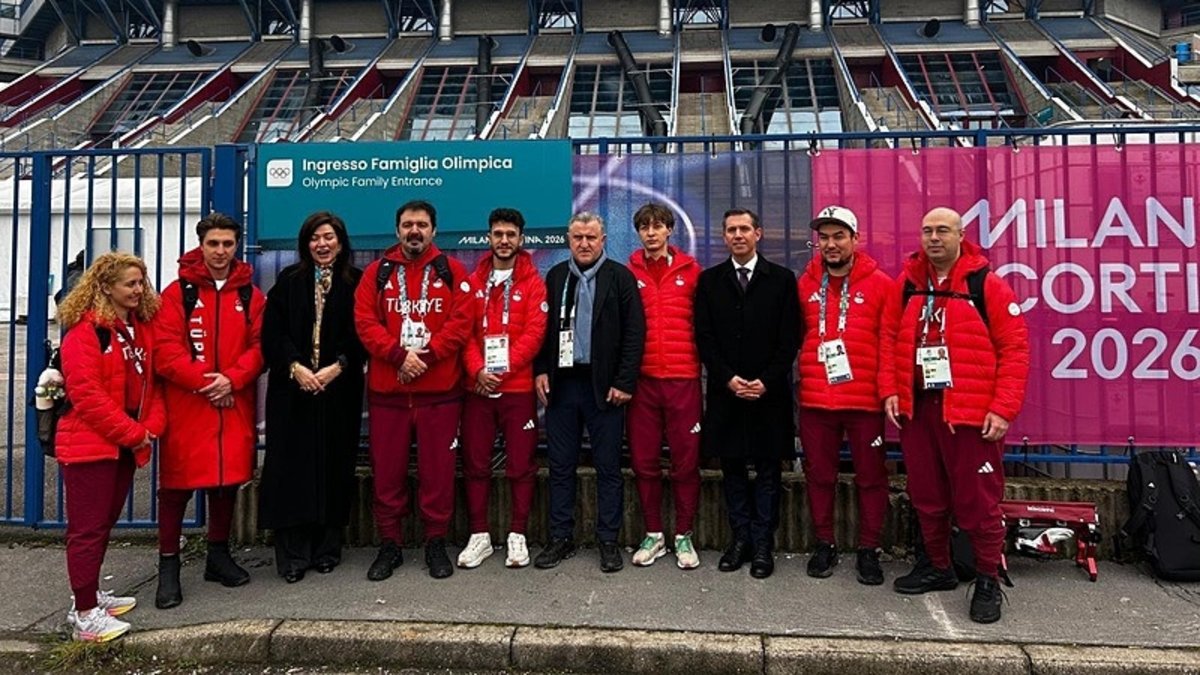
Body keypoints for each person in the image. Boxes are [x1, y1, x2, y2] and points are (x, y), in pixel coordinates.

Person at [880, 206, 1030, 624]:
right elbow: (888, 337)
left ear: (961, 235)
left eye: (943, 230)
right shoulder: (908, 284)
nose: (934, 238)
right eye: (927, 230)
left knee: (978, 501)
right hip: (919, 408)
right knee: (927, 495)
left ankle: (987, 578)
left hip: (969, 414)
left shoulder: (987, 285)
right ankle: (938, 566)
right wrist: (890, 390)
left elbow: (1015, 349)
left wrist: (1002, 409)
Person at [354, 199, 472, 581]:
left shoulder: (452, 270)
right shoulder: (377, 272)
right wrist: (398, 356)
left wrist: (428, 355)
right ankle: (390, 544)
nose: (414, 231)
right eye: (408, 225)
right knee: (387, 473)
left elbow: (461, 321)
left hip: (440, 393)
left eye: (421, 224)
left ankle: (435, 542)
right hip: (389, 394)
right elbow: (365, 322)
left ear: (434, 230)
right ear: (397, 230)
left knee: (438, 473)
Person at [153, 212, 265, 609]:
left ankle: (218, 555)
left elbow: (260, 347)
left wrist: (231, 380)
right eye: (213, 243)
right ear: (201, 245)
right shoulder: (175, 294)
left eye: (227, 244)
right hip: (188, 406)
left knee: (225, 483)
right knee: (176, 488)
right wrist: (209, 383)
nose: (220, 251)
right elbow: (165, 351)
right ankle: (168, 566)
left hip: (232, 403)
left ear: (237, 246)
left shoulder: (251, 295)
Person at [55, 252, 165, 642]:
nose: (138, 290)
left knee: (102, 523)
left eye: (141, 282)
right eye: (129, 283)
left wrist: (150, 427)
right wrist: (134, 433)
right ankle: (85, 615)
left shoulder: (136, 329)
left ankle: (89, 595)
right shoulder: (85, 332)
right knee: (86, 530)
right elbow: (87, 396)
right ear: (105, 287)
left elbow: (151, 384)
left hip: (122, 445)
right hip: (90, 447)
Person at [533, 212, 645, 573]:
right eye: (578, 237)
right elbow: (542, 330)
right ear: (569, 240)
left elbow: (634, 333)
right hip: (563, 385)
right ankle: (560, 537)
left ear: (603, 240)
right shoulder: (556, 276)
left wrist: (624, 382)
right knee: (560, 466)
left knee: (608, 467)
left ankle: (608, 540)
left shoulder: (620, 277)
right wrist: (540, 370)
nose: (584, 244)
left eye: (591, 237)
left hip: (605, 388)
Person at [259, 212, 365, 583]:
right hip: (294, 390)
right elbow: (273, 333)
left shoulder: (358, 283)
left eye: (329, 237)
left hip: (339, 389)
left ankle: (326, 549)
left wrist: (338, 366)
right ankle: (293, 555)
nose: (322, 244)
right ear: (306, 244)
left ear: (341, 241)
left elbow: (363, 333)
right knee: (291, 469)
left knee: (334, 465)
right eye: (315, 238)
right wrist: (296, 367)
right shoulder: (289, 281)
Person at [694, 208, 799, 580]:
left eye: (744, 229)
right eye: (731, 230)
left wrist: (765, 380)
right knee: (733, 469)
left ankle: (763, 544)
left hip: (769, 394)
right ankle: (740, 539)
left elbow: (790, 338)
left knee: (769, 470)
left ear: (759, 233)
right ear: (724, 237)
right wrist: (728, 378)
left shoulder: (782, 280)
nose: (737, 235)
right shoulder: (710, 281)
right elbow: (704, 337)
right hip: (727, 392)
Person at [795, 206, 893, 585]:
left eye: (839, 236)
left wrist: (889, 391)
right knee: (819, 476)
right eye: (824, 237)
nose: (831, 244)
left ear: (855, 239)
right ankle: (825, 543)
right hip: (816, 400)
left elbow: (890, 342)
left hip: (865, 401)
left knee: (871, 477)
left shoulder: (881, 284)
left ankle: (869, 548)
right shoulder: (804, 284)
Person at [456, 208, 548, 570]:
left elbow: (535, 333)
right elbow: (463, 332)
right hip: (477, 389)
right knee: (475, 462)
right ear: (489, 238)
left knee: (521, 465)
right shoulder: (472, 281)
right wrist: (478, 370)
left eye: (511, 234)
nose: (504, 240)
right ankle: (479, 535)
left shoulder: (534, 282)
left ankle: (517, 534)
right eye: (498, 234)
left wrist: (502, 368)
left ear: (521, 239)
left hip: (517, 389)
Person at [625, 203, 703, 569]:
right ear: (639, 233)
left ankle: (684, 534)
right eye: (645, 227)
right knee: (644, 461)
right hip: (643, 382)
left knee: (686, 461)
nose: (651, 233)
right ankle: (654, 533)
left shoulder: (692, 272)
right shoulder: (628, 273)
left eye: (658, 226)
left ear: (670, 230)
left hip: (683, 379)